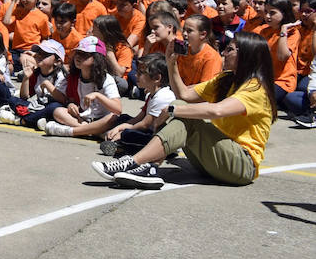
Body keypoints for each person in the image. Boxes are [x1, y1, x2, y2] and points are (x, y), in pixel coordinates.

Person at [91, 31, 276, 189]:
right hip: (215, 158)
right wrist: (171, 63)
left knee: (181, 111)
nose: (224, 53)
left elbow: (217, 111)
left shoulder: (256, 88)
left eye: (230, 49)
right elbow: (185, 94)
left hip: (241, 165)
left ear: (246, 55)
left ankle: (135, 162)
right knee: (180, 106)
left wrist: (173, 111)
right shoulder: (227, 79)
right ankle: (149, 167)